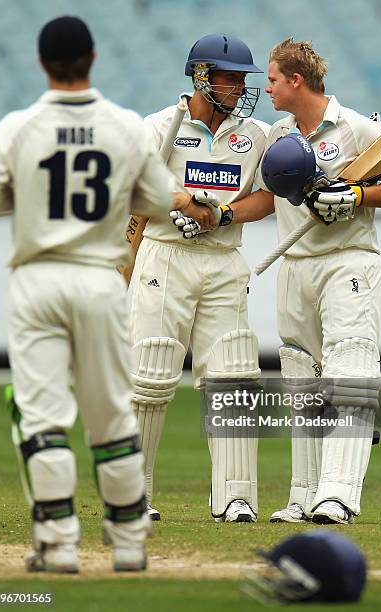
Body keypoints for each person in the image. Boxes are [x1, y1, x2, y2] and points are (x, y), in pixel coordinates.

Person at [179, 38, 381, 525]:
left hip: (348, 261)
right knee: (301, 381)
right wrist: (219, 214)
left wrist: (357, 194)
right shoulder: (277, 134)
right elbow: (258, 196)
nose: (266, 87)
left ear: (296, 80)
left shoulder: (356, 126)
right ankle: (303, 495)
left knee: (350, 369)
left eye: (272, 79)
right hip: (294, 265)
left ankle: (338, 494)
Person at [0, 15, 175, 572]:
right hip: (101, 280)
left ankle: (57, 545)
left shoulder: (16, 128)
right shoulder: (125, 127)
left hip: (38, 279)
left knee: (42, 414)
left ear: (42, 63)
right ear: (92, 58)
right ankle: (128, 544)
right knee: (112, 414)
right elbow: (160, 200)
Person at [128, 34, 273, 523]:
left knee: (231, 377)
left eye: (242, 78)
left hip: (223, 262)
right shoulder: (158, 127)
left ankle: (235, 496)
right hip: (164, 256)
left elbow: (268, 197)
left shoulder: (255, 133)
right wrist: (184, 203)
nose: (239, 87)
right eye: (231, 77)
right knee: (149, 378)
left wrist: (223, 214)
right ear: (201, 75)